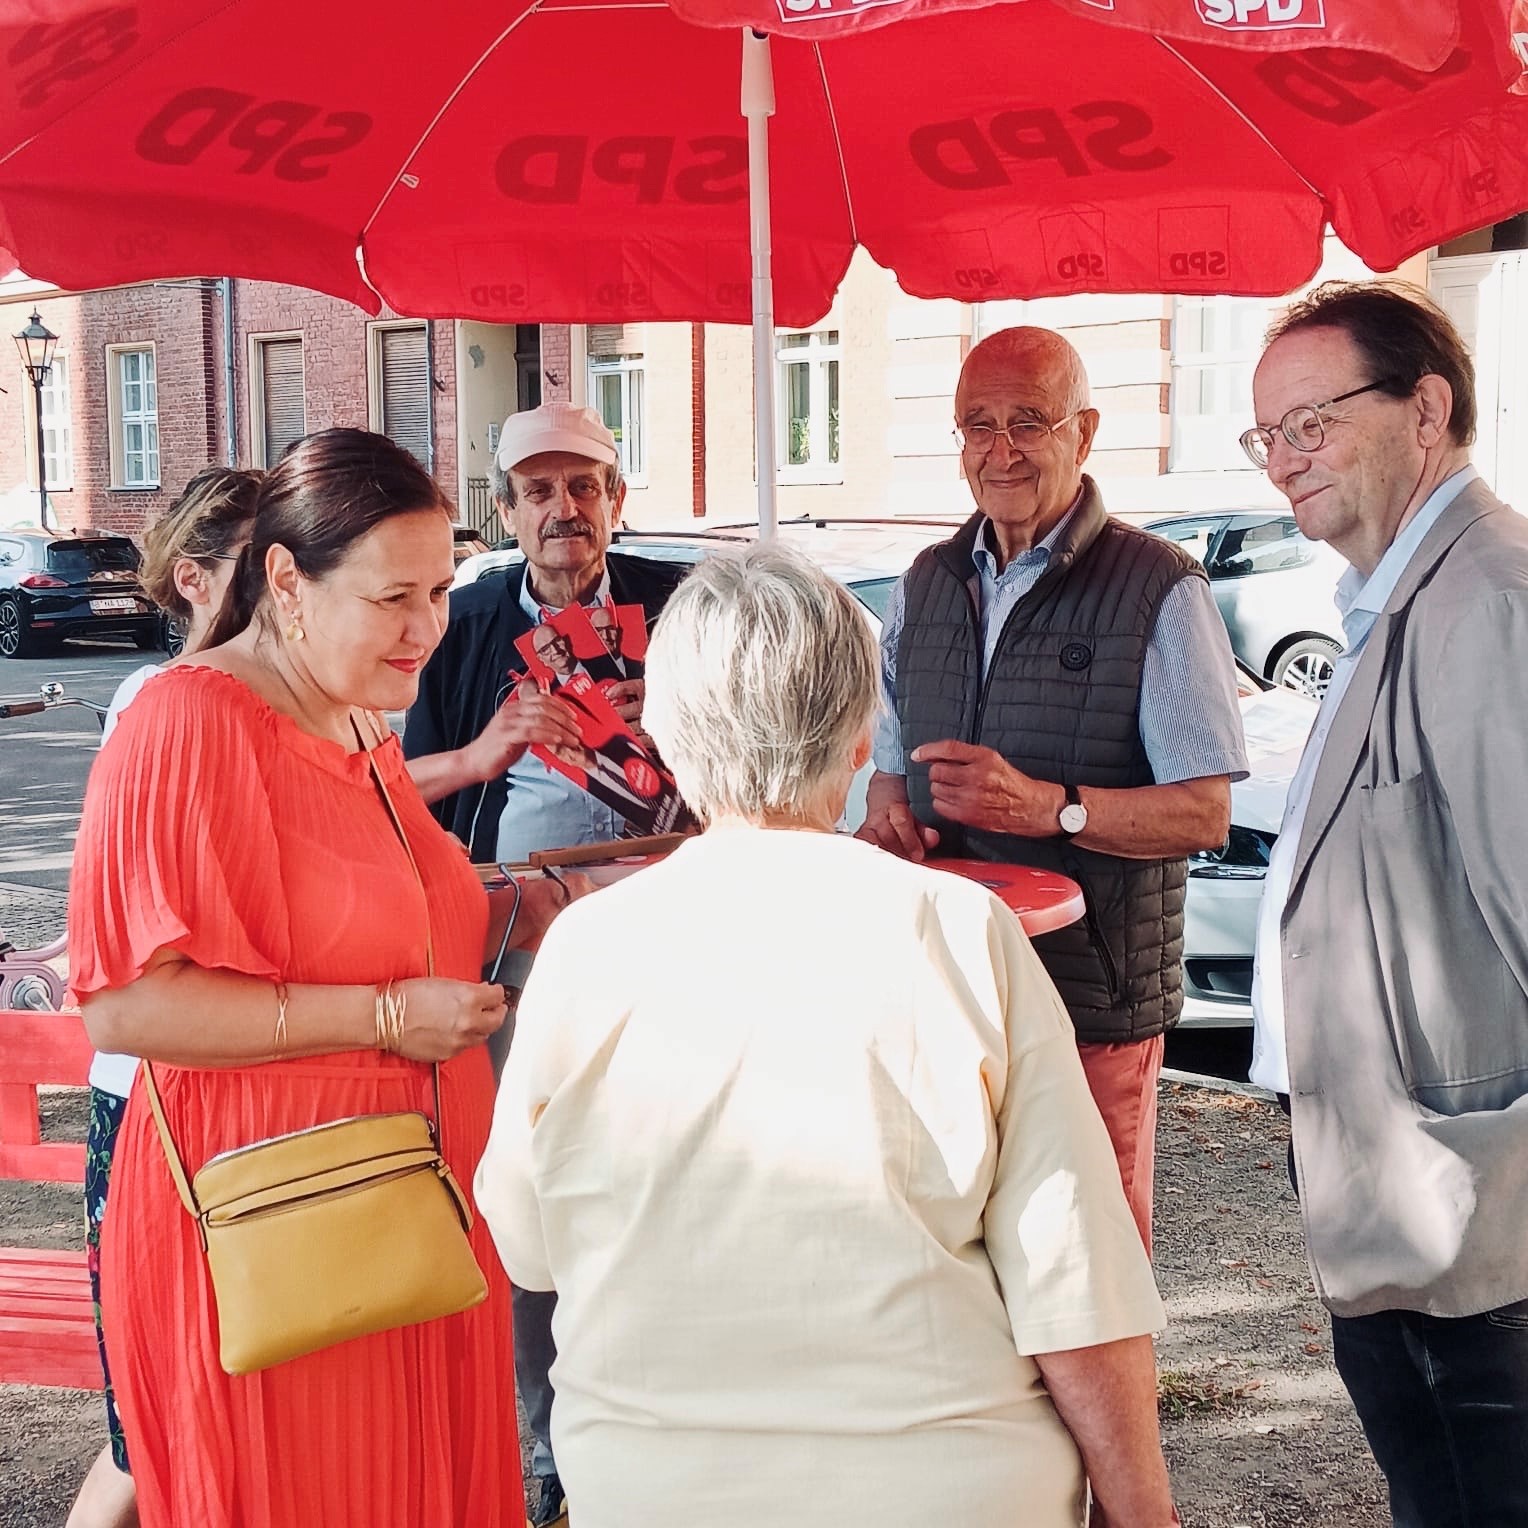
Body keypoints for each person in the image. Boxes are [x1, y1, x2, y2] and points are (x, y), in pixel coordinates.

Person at [475, 545, 1180, 1528]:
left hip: (658, 1493)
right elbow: (1073, 1281)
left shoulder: (585, 952)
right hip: (944, 1491)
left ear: (669, 742)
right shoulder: (957, 931)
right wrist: (1144, 1514)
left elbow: (528, 1244)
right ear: (860, 740)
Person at [66, 429, 580, 1528]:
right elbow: (126, 1001)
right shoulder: (184, 721)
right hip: (277, 1232)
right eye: (394, 596)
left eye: (442, 588)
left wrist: (506, 907)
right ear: (289, 582)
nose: (427, 628)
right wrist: (392, 1016)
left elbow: (346, 920)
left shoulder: (354, 711)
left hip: (409, 1223)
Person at [858, 327, 1247, 1253]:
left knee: (1090, 1261)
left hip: (1091, 998)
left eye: (1028, 421)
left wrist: (1053, 808)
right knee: (965, 1258)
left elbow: (1206, 813)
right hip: (948, 996)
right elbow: (888, 773)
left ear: (1085, 431)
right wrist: (888, 815)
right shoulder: (925, 583)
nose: (1000, 451)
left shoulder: (1159, 586)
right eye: (977, 426)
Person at [1244, 281, 1528, 1526]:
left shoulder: (1487, 598)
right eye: (1269, 438)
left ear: (1427, 409)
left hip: (1479, 1231)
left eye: (1312, 423)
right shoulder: (1394, 598)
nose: (1283, 464)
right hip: (1408, 1212)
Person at [404, 403, 685, 1525]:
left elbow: (780, 742)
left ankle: (656, 1400)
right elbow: (395, 778)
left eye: (584, 487)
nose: (562, 510)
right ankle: (545, 1427)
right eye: (538, 491)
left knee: (659, 1166)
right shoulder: (464, 620)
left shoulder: (686, 605)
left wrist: (678, 716)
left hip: (671, 925)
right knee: (523, 1174)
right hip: (518, 937)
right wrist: (487, 747)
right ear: (505, 510)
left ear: (617, 501)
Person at [68, 465, 263, 1528]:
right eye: (262, 565)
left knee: (189, 1418)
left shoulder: (251, 699)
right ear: (192, 580)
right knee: (142, 1434)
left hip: (206, 1098)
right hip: (153, 1104)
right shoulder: (166, 702)